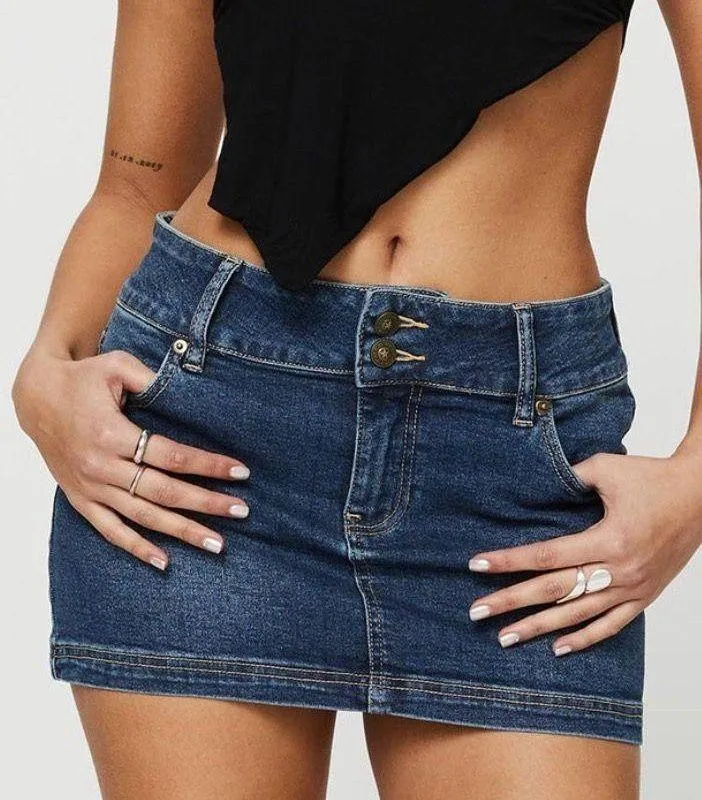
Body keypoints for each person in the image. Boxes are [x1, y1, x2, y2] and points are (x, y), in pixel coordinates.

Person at [12, 1, 701, 798]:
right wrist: (47, 365)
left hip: (506, 461)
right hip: (208, 446)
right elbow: (137, 184)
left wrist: (695, 481)